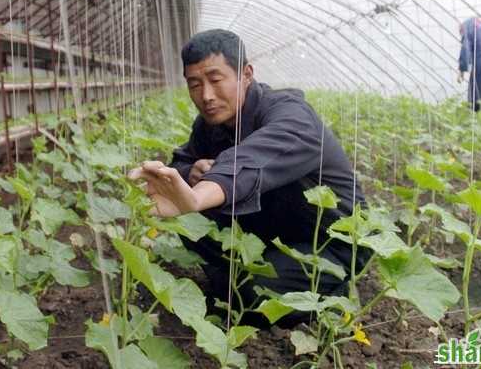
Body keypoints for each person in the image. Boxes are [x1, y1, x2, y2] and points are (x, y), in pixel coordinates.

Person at [129, 29, 368, 325]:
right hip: (274, 231)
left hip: (327, 241)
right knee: (195, 227)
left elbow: (252, 159)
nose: (206, 96)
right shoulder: (207, 125)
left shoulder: (290, 114)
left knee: (253, 300)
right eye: (194, 84)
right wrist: (189, 173)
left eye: (216, 81)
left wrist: (200, 193)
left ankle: (334, 290)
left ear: (246, 74)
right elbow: (185, 158)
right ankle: (235, 280)